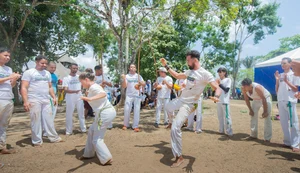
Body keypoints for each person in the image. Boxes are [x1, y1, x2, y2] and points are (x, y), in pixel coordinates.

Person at [161, 50, 221, 168]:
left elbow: (216, 87)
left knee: (175, 128)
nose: (187, 62)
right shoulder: (189, 72)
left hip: (190, 104)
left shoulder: (205, 74)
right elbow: (177, 75)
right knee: (167, 106)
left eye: (188, 60)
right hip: (181, 99)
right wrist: (166, 66)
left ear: (195, 60)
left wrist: (217, 96)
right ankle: (171, 121)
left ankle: (179, 157)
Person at [21, 55, 62, 146]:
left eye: (45, 63)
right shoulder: (29, 72)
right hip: (34, 99)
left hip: (46, 99)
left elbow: (50, 87)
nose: (44, 65)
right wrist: (25, 101)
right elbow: (24, 87)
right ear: (36, 62)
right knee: (36, 119)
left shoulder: (47, 73)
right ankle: (37, 141)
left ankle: (53, 137)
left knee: (49, 118)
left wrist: (53, 97)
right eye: (42, 63)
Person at [78, 72, 116, 165]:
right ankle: (88, 153)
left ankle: (106, 158)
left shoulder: (94, 87)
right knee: (91, 130)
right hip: (104, 113)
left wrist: (90, 99)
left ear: (86, 80)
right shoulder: (93, 87)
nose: (81, 84)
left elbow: (103, 94)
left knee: (97, 138)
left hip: (104, 113)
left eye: (82, 82)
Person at [275, 57, 300, 152]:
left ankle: (296, 144)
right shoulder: (280, 75)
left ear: (290, 64)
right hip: (281, 100)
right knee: (284, 123)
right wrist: (277, 80)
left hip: (290, 101)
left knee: (293, 123)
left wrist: (286, 81)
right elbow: (277, 90)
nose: (283, 65)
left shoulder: (295, 74)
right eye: (281, 64)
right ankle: (287, 142)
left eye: (284, 63)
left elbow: (295, 89)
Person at [0, 47, 21, 154]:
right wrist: (9, 77)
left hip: (8, 98)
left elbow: (11, 85)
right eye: (5, 55)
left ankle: (2, 146)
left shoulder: (8, 69)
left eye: (9, 56)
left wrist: (14, 79)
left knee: (4, 124)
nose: (8, 58)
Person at [241, 78, 272, 142]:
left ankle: (267, 138)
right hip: (255, 100)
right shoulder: (243, 88)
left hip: (265, 98)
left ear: (250, 85)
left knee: (267, 117)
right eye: (243, 86)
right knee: (253, 115)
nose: (244, 87)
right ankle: (253, 135)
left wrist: (265, 111)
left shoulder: (257, 87)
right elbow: (246, 99)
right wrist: (250, 110)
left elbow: (263, 98)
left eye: (245, 86)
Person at [62, 63, 86, 135]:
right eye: (73, 68)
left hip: (79, 96)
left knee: (81, 113)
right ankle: (69, 130)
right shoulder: (66, 78)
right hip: (70, 97)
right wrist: (75, 91)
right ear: (70, 68)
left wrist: (80, 92)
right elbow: (65, 90)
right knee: (69, 114)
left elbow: (82, 86)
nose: (75, 70)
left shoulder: (79, 77)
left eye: (76, 68)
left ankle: (83, 128)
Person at [121, 64, 145, 132]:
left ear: (136, 69)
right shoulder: (127, 76)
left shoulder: (138, 76)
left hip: (137, 95)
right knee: (127, 109)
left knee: (137, 110)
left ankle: (135, 126)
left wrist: (141, 83)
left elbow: (144, 83)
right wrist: (124, 79)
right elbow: (124, 86)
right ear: (129, 68)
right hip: (129, 95)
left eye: (134, 67)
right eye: (131, 67)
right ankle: (126, 124)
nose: (132, 68)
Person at [216, 67, 233, 136]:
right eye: (218, 72)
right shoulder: (218, 80)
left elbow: (226, 90)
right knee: (220, 117)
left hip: (224, 101)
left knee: (227, 117)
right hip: (218, 101)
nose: (219, 74)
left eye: (220, 72)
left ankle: (229, 132)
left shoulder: (228, 80)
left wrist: (219, 84)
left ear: (224, 72)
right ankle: (221, 130)